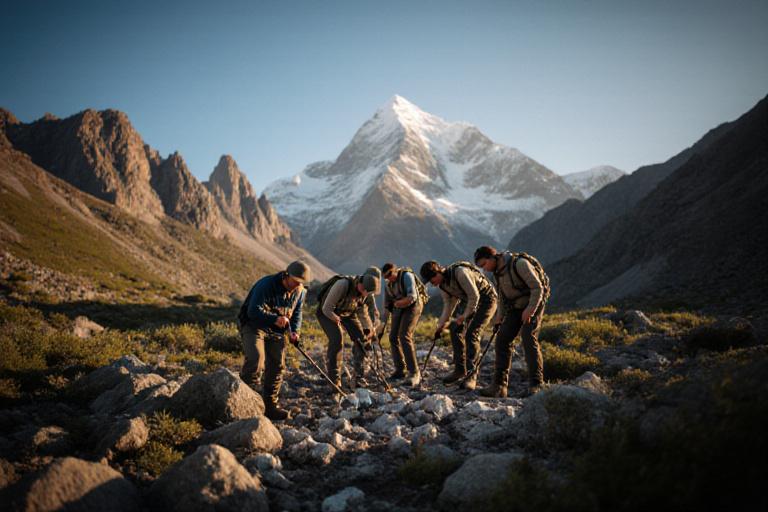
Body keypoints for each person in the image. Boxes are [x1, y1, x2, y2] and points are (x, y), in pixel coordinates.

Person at [473, 246, 549, 397]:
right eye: (481, 267)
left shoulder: (519, 264)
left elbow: (537, 288)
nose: (484, 269)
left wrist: (531, 309)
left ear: (492, 257)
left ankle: (536, 384)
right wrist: (499, 317)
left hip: (534, 302)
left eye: (484, 265)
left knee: (528, 338)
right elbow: (502, 296)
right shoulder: (496, 273)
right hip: (515, 306)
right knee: (502, 339)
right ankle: (499, 387)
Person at [238, 260, 309, 420]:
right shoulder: (266, 285)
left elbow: (297, 313)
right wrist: (275, 319)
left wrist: (295, 332)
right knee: (256, 359)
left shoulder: (300, 291)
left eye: (301, 283)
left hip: (276, 330)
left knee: (278, 364)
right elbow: (252, 311)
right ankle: (244, 402)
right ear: (286, 275)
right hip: (253, 325)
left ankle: (270, 406)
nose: (297, 285)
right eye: (295, 281)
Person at [419, 260, 497, 390]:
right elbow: (448, 306)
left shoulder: (460, 273)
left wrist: (464, 316)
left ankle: (471, 376)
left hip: (487, 299)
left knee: (472, 333)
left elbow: (474, 296)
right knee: (455, 329)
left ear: (438, 272)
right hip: (470, 301)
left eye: (432, 280)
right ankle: (460, 370)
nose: (432, 284)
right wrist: (440, 325)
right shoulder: (443, 285)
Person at [316, 273, 380, 390]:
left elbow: (361, 311)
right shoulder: (343, 285)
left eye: (368, 292)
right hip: (327, 312)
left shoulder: (364, 293)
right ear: (360, 284)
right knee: (337, 339)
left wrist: (367, 329)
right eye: (365, 290)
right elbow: (326, 308)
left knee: (361, 340)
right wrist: (335, 318)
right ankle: (334, 381)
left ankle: (358, 378)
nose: (365, 294)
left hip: (347, 313)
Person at [378, 263, 427, 387]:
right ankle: (400, 370)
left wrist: (397, 303)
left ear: (396, 271)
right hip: (399, 306)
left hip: (413, 305)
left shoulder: (406, 276)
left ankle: (414, 372)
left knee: (404, 335)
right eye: (386, 277)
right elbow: (386, 307)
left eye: (390, 274)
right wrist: (381, 327)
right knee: (393, 337)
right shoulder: (388, 285)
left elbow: (412, 297)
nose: (389, 278)